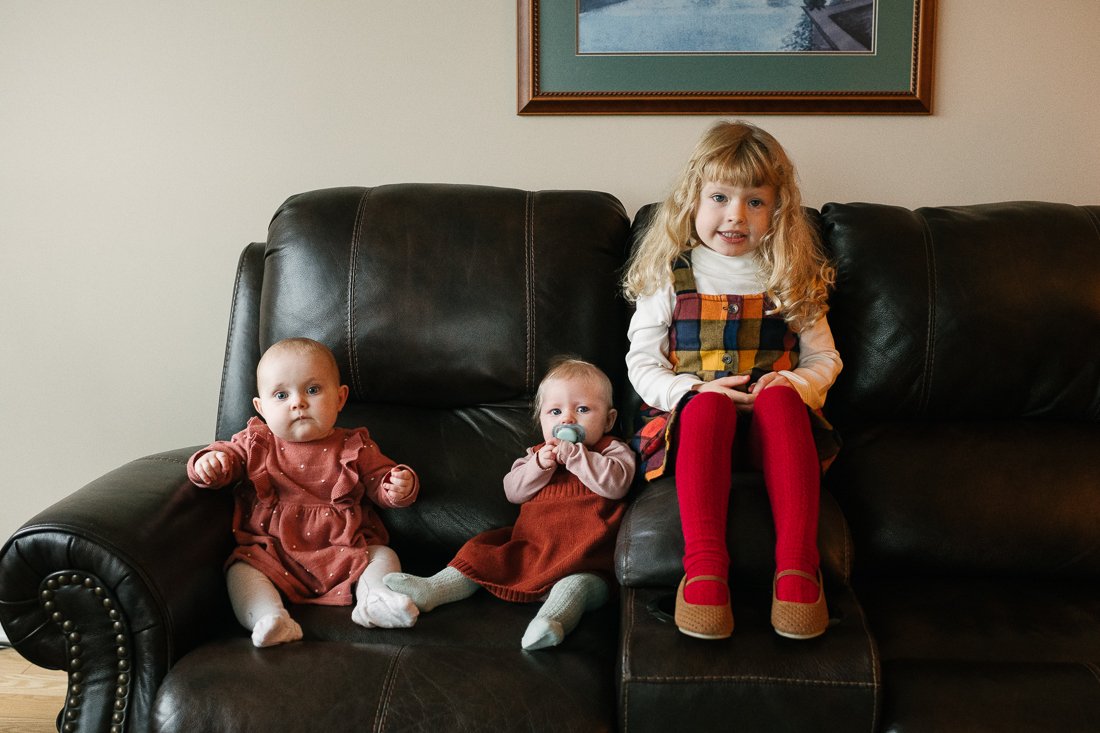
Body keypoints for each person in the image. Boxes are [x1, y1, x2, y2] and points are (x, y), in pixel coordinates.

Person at [622, 120, 842, 641]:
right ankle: (704, 571)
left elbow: (825, 359)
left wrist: (792, 385)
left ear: (778, 209)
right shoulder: (671, 273)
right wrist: (692, 389)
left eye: (755, 202)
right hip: (695, 430)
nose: (735, 216)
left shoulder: (790, 273)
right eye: (719, 197)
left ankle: (796, 571)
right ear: (691, 200)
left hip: (776, 434)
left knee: (784, 402)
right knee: (709, 409)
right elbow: (641, 364)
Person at [384, 358, 635, 650]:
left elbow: (616, 485)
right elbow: (512, 491)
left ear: (608, 419)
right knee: (482, 554)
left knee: (575, 588)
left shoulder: (612, 451)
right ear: (542, 420)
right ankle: (434, 588)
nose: (567, 419)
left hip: (587, 558)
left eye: (582, 409)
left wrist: (579, 457)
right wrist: (540, 465)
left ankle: (550, 623)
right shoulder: (538, 455)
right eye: (555, 411)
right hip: (532, 548)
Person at [187, 337, 421, 647]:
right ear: (261, 407)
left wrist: (397, 486)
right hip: (273, 552)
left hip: (346, 549)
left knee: (383, 555)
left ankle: (375, 599)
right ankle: (269, 618)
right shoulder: (257, 442)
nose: (298, 402)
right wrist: (212, 463)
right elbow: (227, 457)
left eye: (312, 390)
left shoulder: (355, 446)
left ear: (339, 398)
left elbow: (380, 481)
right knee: (241, 569)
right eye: (281, 395)